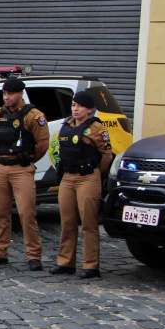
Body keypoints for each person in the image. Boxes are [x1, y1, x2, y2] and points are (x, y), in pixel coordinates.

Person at [0, 78, 50, 270]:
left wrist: (28, 160)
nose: (6, 97)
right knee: (0, 213)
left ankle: (34, 255)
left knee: (27, 213)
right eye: (4, 94)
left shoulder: (33, 116)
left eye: (10, 94)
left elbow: (43, 144)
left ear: (20, 94)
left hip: (21, 168)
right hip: (1, 166)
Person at [51, 91, 112, 279]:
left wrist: (94, 174)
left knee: (88, 222)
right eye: (73, 105)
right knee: (67, 222)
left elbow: (106, 157)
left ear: (89, 109)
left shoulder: (96, 128)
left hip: (87, 177)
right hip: (68, 177)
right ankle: (65, 262)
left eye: (79, 106)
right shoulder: (67, 125)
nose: (75, 109)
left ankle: (91, 265)